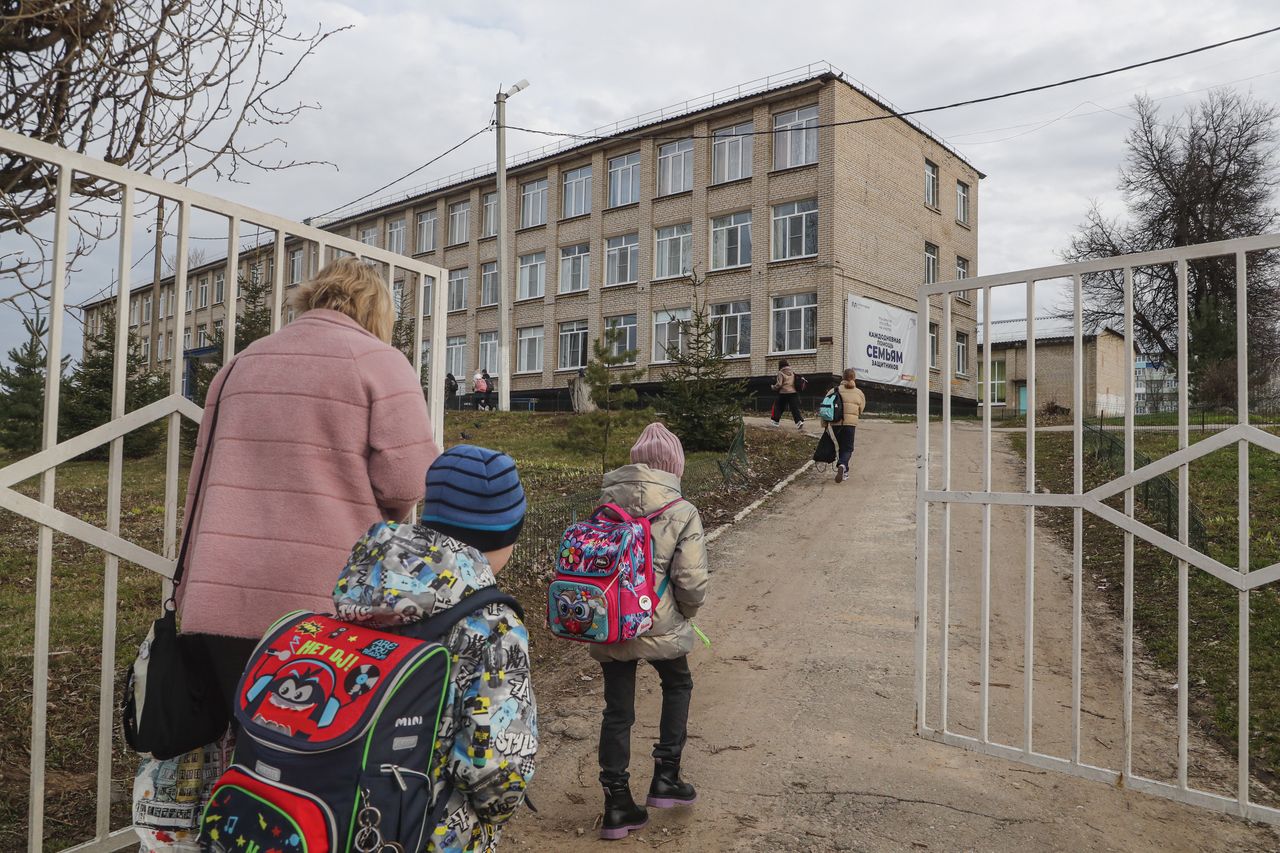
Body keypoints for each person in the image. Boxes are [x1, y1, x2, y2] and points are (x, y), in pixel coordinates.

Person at [175, 257, 440, 714]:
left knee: (241, 747)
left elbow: (202, 478)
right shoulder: (379, 361)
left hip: (221, 592)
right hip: (324, 604)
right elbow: (408, 482)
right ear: (376, 309)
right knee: (313, 755)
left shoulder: (241, 363)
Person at [335, 445, 536, 853]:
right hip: (425, 830)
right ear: (506, 534)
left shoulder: (364, 587)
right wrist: (495, 813)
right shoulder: (494, 626)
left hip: (341, 809)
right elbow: (496, 768)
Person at [593, 423, 710, 841]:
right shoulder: (682, 510)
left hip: (612, 622)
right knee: (678, 685)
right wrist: (686, 613)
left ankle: (617, 803)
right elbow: (691, 580)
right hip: (662, 620)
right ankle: (666, 777)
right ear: (673, 466)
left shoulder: (605, 504)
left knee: (617, 711)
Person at [833, 368, 867, 484]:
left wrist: (824, 424)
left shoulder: (835, 390)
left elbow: (825, 405)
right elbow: (861, 409)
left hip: (835, 423)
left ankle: (844, 471)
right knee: (848, 448)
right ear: (854, 378)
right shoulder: (859, 393)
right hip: (850, 424)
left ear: (842, 377)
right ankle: (842, 465)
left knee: (841, 446)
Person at [770, 358, 805, 429]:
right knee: (794, 408)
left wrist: (773, 387)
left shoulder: (780, 373)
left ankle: (776, 422)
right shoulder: (792, 371)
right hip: (793, 392)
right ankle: (799, 422)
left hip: (783, 393)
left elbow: (779, 384)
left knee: (779, 407)